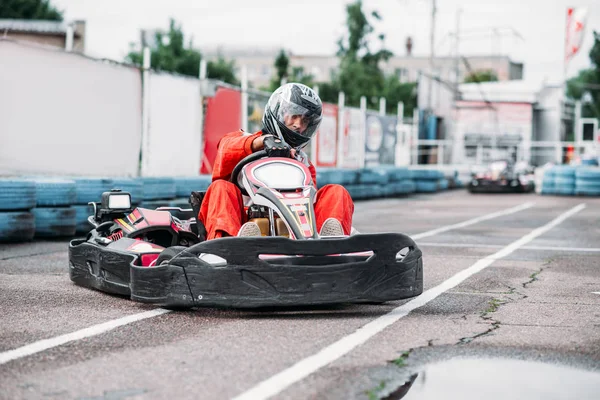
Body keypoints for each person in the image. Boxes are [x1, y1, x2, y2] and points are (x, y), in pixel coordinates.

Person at [198, 82, 354, 239]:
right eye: (294, 116)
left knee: (336, 192)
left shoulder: (303, 162)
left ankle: (329, 245)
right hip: (242, 223)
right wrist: (263, 142)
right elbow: (224, 151)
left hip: (294, 226)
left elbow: (310, 202)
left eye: (305, 121)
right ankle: (228, 246)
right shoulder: (242, 140)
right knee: (220, 187)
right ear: (279, 112)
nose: (298, 125)